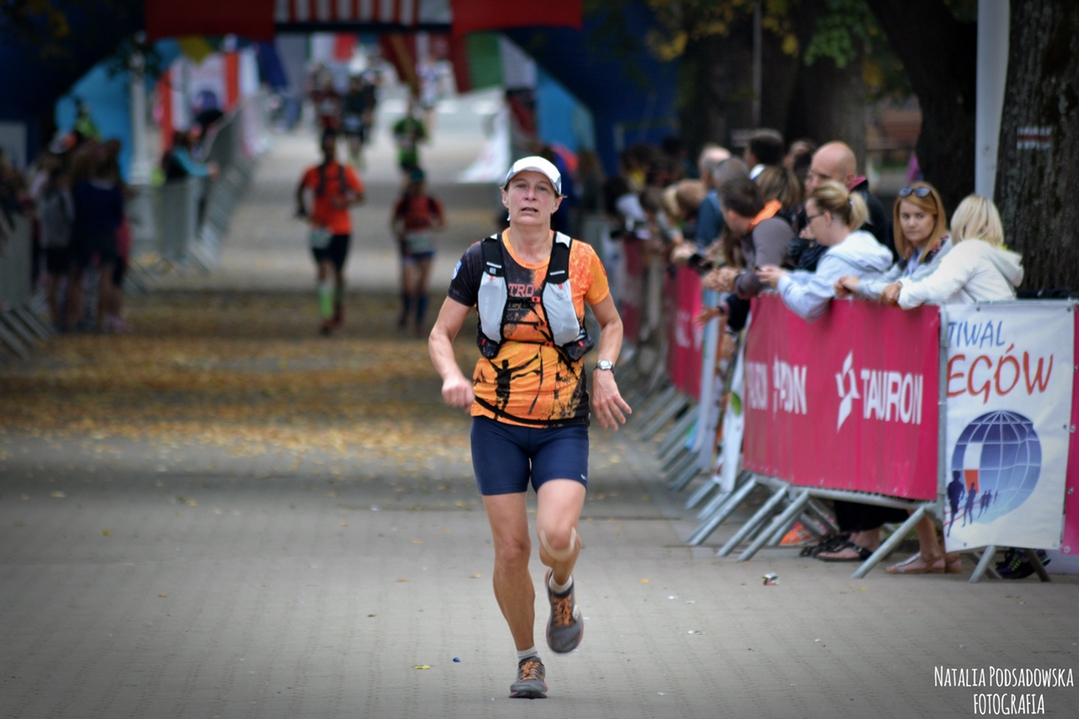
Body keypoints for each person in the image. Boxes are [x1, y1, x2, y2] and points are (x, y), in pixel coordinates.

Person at [428, 156, 632, 700]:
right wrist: (451, 376)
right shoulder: (480, 259)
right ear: (505, 196)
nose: (530, 196)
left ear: (557, 203)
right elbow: (440, 334)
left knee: (556, 538)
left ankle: (561, 587)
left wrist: (604, 370)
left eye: (543, 189)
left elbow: (611, 323)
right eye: (521, 186)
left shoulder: (580, 258)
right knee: (512, 551)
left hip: (562, 422)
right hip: (495, 422)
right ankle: (527, 660)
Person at [756, 180, 892, 323]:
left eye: (810, 219)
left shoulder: (839, 258)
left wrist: (781, 281)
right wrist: (787, 275)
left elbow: (807, 306)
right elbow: (820, 280)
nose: (809, 226)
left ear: (827, 218)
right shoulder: (864, 244)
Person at [295, 130, 365, 334]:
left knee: (339, 273)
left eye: (331, 147)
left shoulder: (345, 172)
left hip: (342, 229)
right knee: (323, 269)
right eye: (325, 147)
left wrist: (344, 202)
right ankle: (326, 316)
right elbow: (300, 190)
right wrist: (304, 211)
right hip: (319, 229)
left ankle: (338, 306)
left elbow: (360, 196)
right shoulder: (312, 172)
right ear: (320, 148)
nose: (328, 151)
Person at [834, 182, 952, 302]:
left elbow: (905, 289)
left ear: (935, 217)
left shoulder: (943, 245)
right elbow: (886, 281)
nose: (911, 223)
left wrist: (859, 286)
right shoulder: (913, 249)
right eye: (905, 216)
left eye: (919, 216)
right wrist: (853, 288)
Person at [67, 150, 124, 332]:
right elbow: (118, 215)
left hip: (85, 233)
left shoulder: (83, 188)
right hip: (106, 234)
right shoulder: (114, 191)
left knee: (76, 276)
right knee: (106, 277)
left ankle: (74, 317)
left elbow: (76, 210)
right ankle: (101, 319)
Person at [392, 167, 445, 333]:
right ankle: (406, 311)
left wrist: (432, 225)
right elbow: (394, 222)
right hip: (409, 247)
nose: (417, 187)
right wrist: (400, 235)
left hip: (426, 247)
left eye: (420, 184)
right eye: (415, 184)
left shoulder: (431, 202)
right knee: (408, 285)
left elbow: (442, 223)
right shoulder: (403, 203)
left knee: (422, 286)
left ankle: (419, 321)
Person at [37, 162, 74, 330]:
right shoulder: (63, 196)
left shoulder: (44, 196)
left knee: (51, 282)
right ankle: (62, 319)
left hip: (48, 243)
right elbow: (71, 218)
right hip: (63, 243)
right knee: (63, 283)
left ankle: (54, 317)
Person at [392, 100, 428, 178]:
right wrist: (402, 140)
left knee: (415, 177)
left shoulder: (416, 123)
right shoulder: (401, 123)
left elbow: (424, 138)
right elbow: (394, 134)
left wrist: (415, 136)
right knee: (407, 175)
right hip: (404, 155)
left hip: (413, 156)